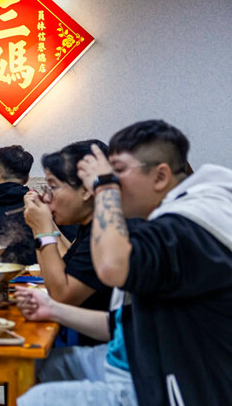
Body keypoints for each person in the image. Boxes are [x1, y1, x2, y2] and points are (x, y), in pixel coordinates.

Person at [76, 120, 232, 406]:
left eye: (119, 170)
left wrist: (104, 188)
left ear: (160, 177)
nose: (113, 179)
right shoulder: (197, 212)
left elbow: (112, 267)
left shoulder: (185, 227)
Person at [23, 140, 114, 344]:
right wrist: (44, 226)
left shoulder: (105, 231)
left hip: (109, 354)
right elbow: (64, 269)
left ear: (86, 190)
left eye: (53, 186)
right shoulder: (90, 224)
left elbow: (61, 295)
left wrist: (42, 229)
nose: (47, 197)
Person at [14, 287, 137, 406]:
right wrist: (51, 309)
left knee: (37, 399)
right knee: (35, 365)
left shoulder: (149, 285)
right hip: (119, 357)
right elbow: (114, 326)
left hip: (139, 381)